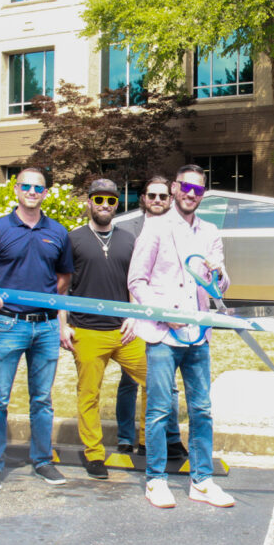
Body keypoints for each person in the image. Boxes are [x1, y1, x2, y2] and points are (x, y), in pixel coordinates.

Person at [128, 164, 234, 509]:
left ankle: (201, 481)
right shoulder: (155, 228)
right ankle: (156, 480)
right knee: (159, 409)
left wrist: (220, 276)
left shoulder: (211, 232)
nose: (191, 194)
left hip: (198, 337)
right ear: (175, 188)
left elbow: (219, 288)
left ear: (204, 194)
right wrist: (165, 313)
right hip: (162, 335)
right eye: (186, 187)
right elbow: (137, 282)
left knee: (202, 410)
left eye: (198, 190)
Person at [0, 167, 73, 492]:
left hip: (44, 327)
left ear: (46, 192)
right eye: (26, 186)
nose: (32, 191)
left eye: (38, 187)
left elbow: (62, 281)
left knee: (42, 400)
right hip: (7, 325)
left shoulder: (57, 232)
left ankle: (42, 461)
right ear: (16, 189)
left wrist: (56, 320)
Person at [60, 178, 147, 480]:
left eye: (111, 201)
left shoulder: (128, 239)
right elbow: (62, 285)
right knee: (89, 395)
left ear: (116, 205)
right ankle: (94, 454)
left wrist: (134, 316)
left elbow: (134, 281)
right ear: (89, 202)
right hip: (86, 331)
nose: (105, 206)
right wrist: (63, 324)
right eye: (99, 200)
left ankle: (147, 443)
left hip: (125, 331)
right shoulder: (73, 239)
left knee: (156, 380)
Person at [113, 176, 184, 457]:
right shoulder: (126, 230)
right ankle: (124, 437)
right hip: (136, 316)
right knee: (129, 381)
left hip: (168, 319)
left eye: (163, 196)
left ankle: (169, 437)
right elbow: (128, 277)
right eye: (151, 195)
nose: (157, 201)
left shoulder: (180, 228)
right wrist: (130, 313)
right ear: (143, 198)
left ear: (170, 199)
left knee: (166, 382)